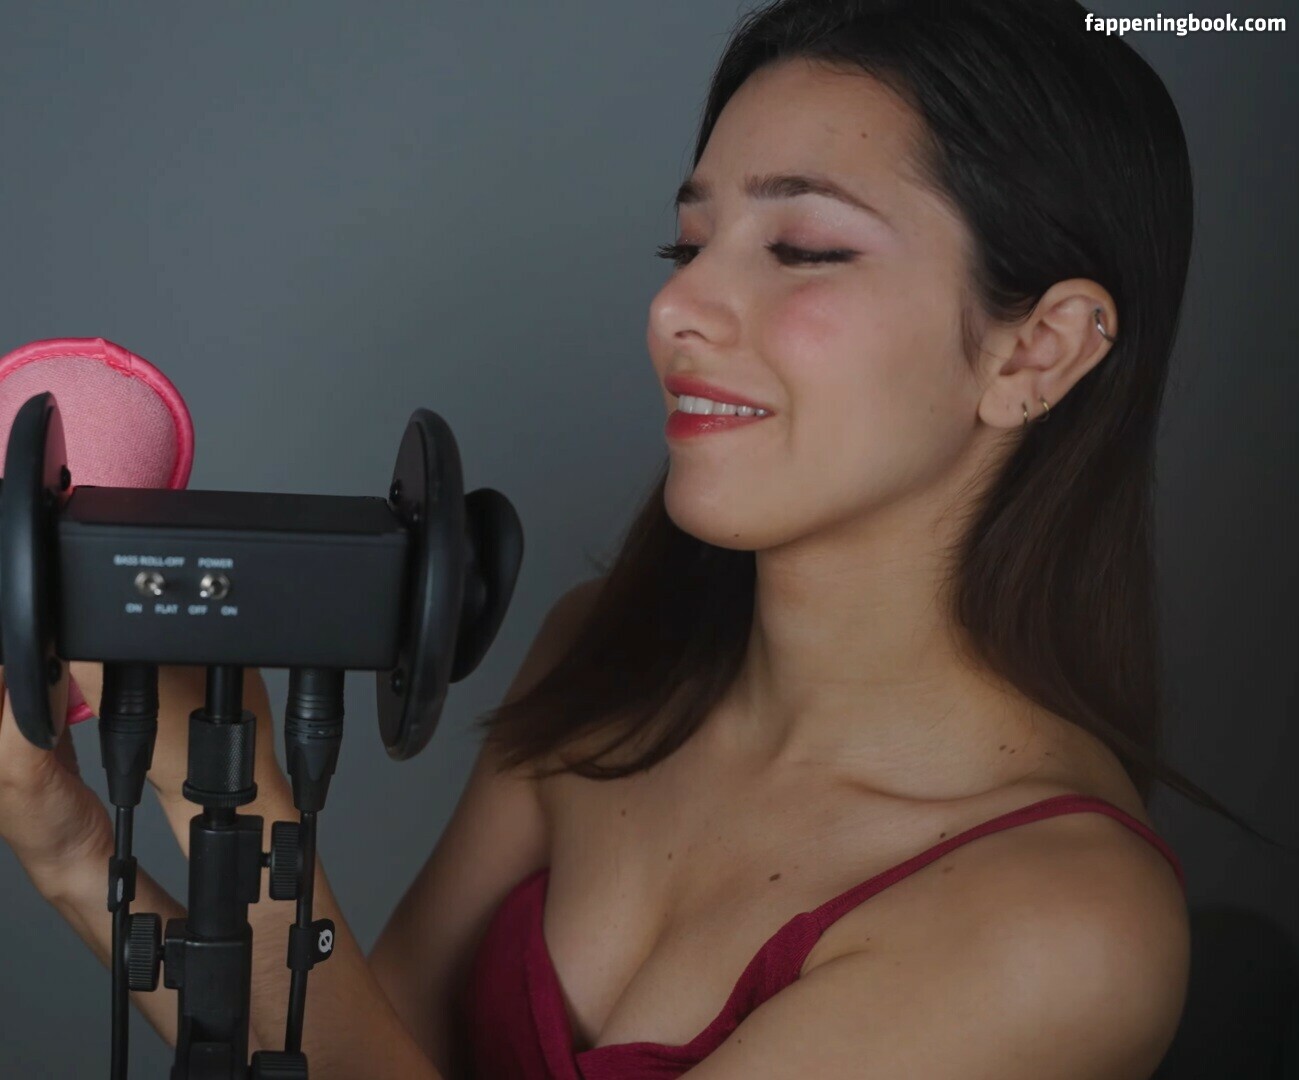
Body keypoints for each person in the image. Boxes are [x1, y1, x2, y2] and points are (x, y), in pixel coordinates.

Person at [0, 0, 1208, 1076]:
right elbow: (356, 1046)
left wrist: (237, 785)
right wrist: (73, 851)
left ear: (1037, 350)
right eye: (688, 246)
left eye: (803, 250)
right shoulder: (611, 659)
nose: (674, 306)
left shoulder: (1066, 931)